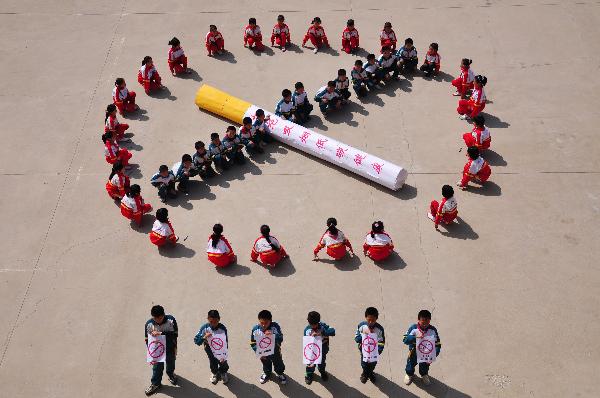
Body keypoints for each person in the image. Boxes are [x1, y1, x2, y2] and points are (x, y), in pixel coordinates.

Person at [144, 305, 178, 396]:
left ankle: (171, 374)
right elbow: (147, 340)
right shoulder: (149, 324)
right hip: (157, 351)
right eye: (155, 318)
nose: (158, 320)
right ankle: (155, 383)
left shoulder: (171, 320)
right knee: (156, 368)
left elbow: (175, 334)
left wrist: (161, 333)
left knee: (171, 362)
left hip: (170, 348)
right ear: (152, 316)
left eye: (160, 317)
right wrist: (151, 354)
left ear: (163, 314)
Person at [403, 310, 441, 386]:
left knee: (425, 366)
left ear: (430, 320)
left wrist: (433, 355)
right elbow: (405, 340)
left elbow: (437, 344)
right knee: (410, 364)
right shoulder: (413, 328)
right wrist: (415, 337)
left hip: (426, 354)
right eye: (423, 322)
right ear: (418, 320)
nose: (425, 325)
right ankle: (409, 374)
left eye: (427, 322)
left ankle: (424, 375)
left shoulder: (433, 330)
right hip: (414, 352)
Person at [250, 310, 287, 385]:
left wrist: (273, 335)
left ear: (270, 321)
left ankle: (280, 373)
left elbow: (280, 338)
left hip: (275, 351)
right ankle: (267, 373)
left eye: (266, 323)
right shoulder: (255, 329)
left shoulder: (275, 327)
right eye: (261, 323)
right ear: (259, 321)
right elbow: (253, 343)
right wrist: (258, 352)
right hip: (263, 354)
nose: (263, 325)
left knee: (278, 363)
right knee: (266, 363)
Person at [193, 310, 230, 385]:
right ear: (208, 319)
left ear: (219, 319)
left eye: (215, 322)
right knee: (212, 361)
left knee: (223, 363)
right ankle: (215, 373)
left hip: (220, 350)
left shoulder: (223, 329)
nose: (213, 324)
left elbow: (225, 342)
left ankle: (223, 372)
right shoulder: (204, 328)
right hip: (209, 349)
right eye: (211, 322)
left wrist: (224, 354)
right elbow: (196, 341)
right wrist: (204, 337)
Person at [355, 307, 385, 384]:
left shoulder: (379, 329)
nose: (371, 322)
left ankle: (370, 373)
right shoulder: (361, 326)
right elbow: (356, 338)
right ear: (366, 317)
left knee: (372, 364)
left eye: (373, 320)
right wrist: (364, 335)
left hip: (374, 353)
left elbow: (381, 342)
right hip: (364, 352)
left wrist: (378, 351)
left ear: (376, 319)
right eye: (369, 320)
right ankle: (364, 374)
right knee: (364, 364)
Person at [304, 311, 335, 385]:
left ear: (319, 321)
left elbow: (333, 331)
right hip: (312, 352)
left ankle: (322, 371)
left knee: (322, 363)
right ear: (308, 321)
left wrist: (322, 333)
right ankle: (309, 374)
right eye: (311, 324)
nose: (313, 326)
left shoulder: (323, 326)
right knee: (310, 364)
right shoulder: (307, 330)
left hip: (323, 350)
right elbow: (306, 344)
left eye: (315, 324)